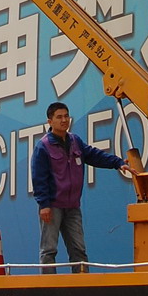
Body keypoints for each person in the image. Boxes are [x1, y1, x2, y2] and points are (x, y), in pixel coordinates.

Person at [31, 102, 130, 272]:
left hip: (72, 206)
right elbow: (39, 177)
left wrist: (118, 163)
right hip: (52, 206)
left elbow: (94, 155)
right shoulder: (43, 146)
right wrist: (44, 205)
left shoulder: (75, 141)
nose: (64, 120)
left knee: (79, 251)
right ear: (50, 121)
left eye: (66, 116)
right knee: (49, 250)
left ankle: (81, 289)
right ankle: (48, 291)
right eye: (59, 117)